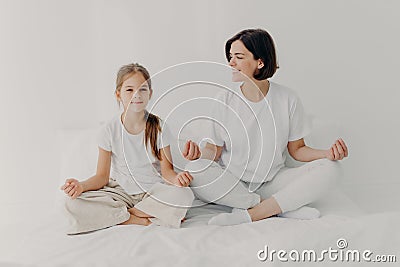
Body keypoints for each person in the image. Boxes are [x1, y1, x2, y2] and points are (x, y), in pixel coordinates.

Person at [182, 29, 348, 226]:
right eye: (230, 57)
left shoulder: (287, 99)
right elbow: (214, 151)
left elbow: (297, 150)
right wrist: (199, 155)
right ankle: (275, 208)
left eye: (239, 57)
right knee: (194, 169)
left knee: (332, 169)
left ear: (260, 62)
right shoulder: (224, 100)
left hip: (273, 182)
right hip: (234, 184)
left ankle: (252, 214)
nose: (231, 63)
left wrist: (327, 153)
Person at [61, 63, 194, 234]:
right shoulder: (109, 130)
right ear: (118, 94)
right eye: (129, 90)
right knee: (71, 204)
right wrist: (81, 186)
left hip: (151, 191)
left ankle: (121, 216)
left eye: (143, 89)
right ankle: (141, 218)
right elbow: (102, 177)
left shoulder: (159, 126)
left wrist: (177, 180)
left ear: (150, 94)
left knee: (184, 195)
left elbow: (167, 171)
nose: (137, 95)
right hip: (120, 192)